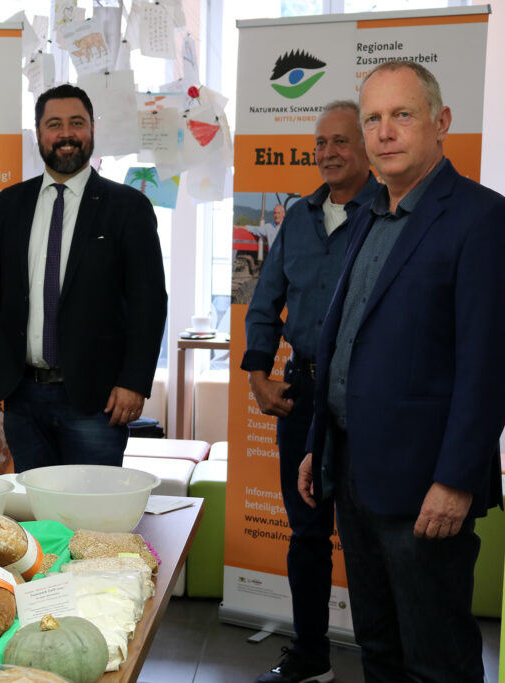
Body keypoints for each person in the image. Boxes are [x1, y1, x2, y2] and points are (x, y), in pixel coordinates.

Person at [299, 61, 505, 681]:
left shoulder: (480, 219)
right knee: (379, 647)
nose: (384, 133)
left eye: (402, 115)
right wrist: (320, 443)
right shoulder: (369, 215)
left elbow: (487, 363)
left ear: (440, 123)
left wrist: (456, 480)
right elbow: (347, 343)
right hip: (354, 469)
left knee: (435, 658)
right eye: (373, 120)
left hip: (424, 485)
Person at [242, 101, 379, 683]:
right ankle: (310, 654)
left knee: (371, 538)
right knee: (307, 534)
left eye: (340, 141)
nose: (327, 153)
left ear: (368, 147)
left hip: (369, 400)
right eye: (320, 143)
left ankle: (385, 663)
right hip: (302, 397)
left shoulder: (389, 212)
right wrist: (257, 375)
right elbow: (265, 301)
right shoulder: (299, 215)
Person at [0, 83, 166, 472]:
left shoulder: (127, 207)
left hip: (96, 400)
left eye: (77, 123)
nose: (66, 134)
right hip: (22, 395)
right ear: (39, 134)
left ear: (92, 129)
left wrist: (135, 382)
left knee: (94, 519)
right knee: (38, 517)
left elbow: (149, 303)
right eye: (54, 124)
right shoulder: (11, 204)